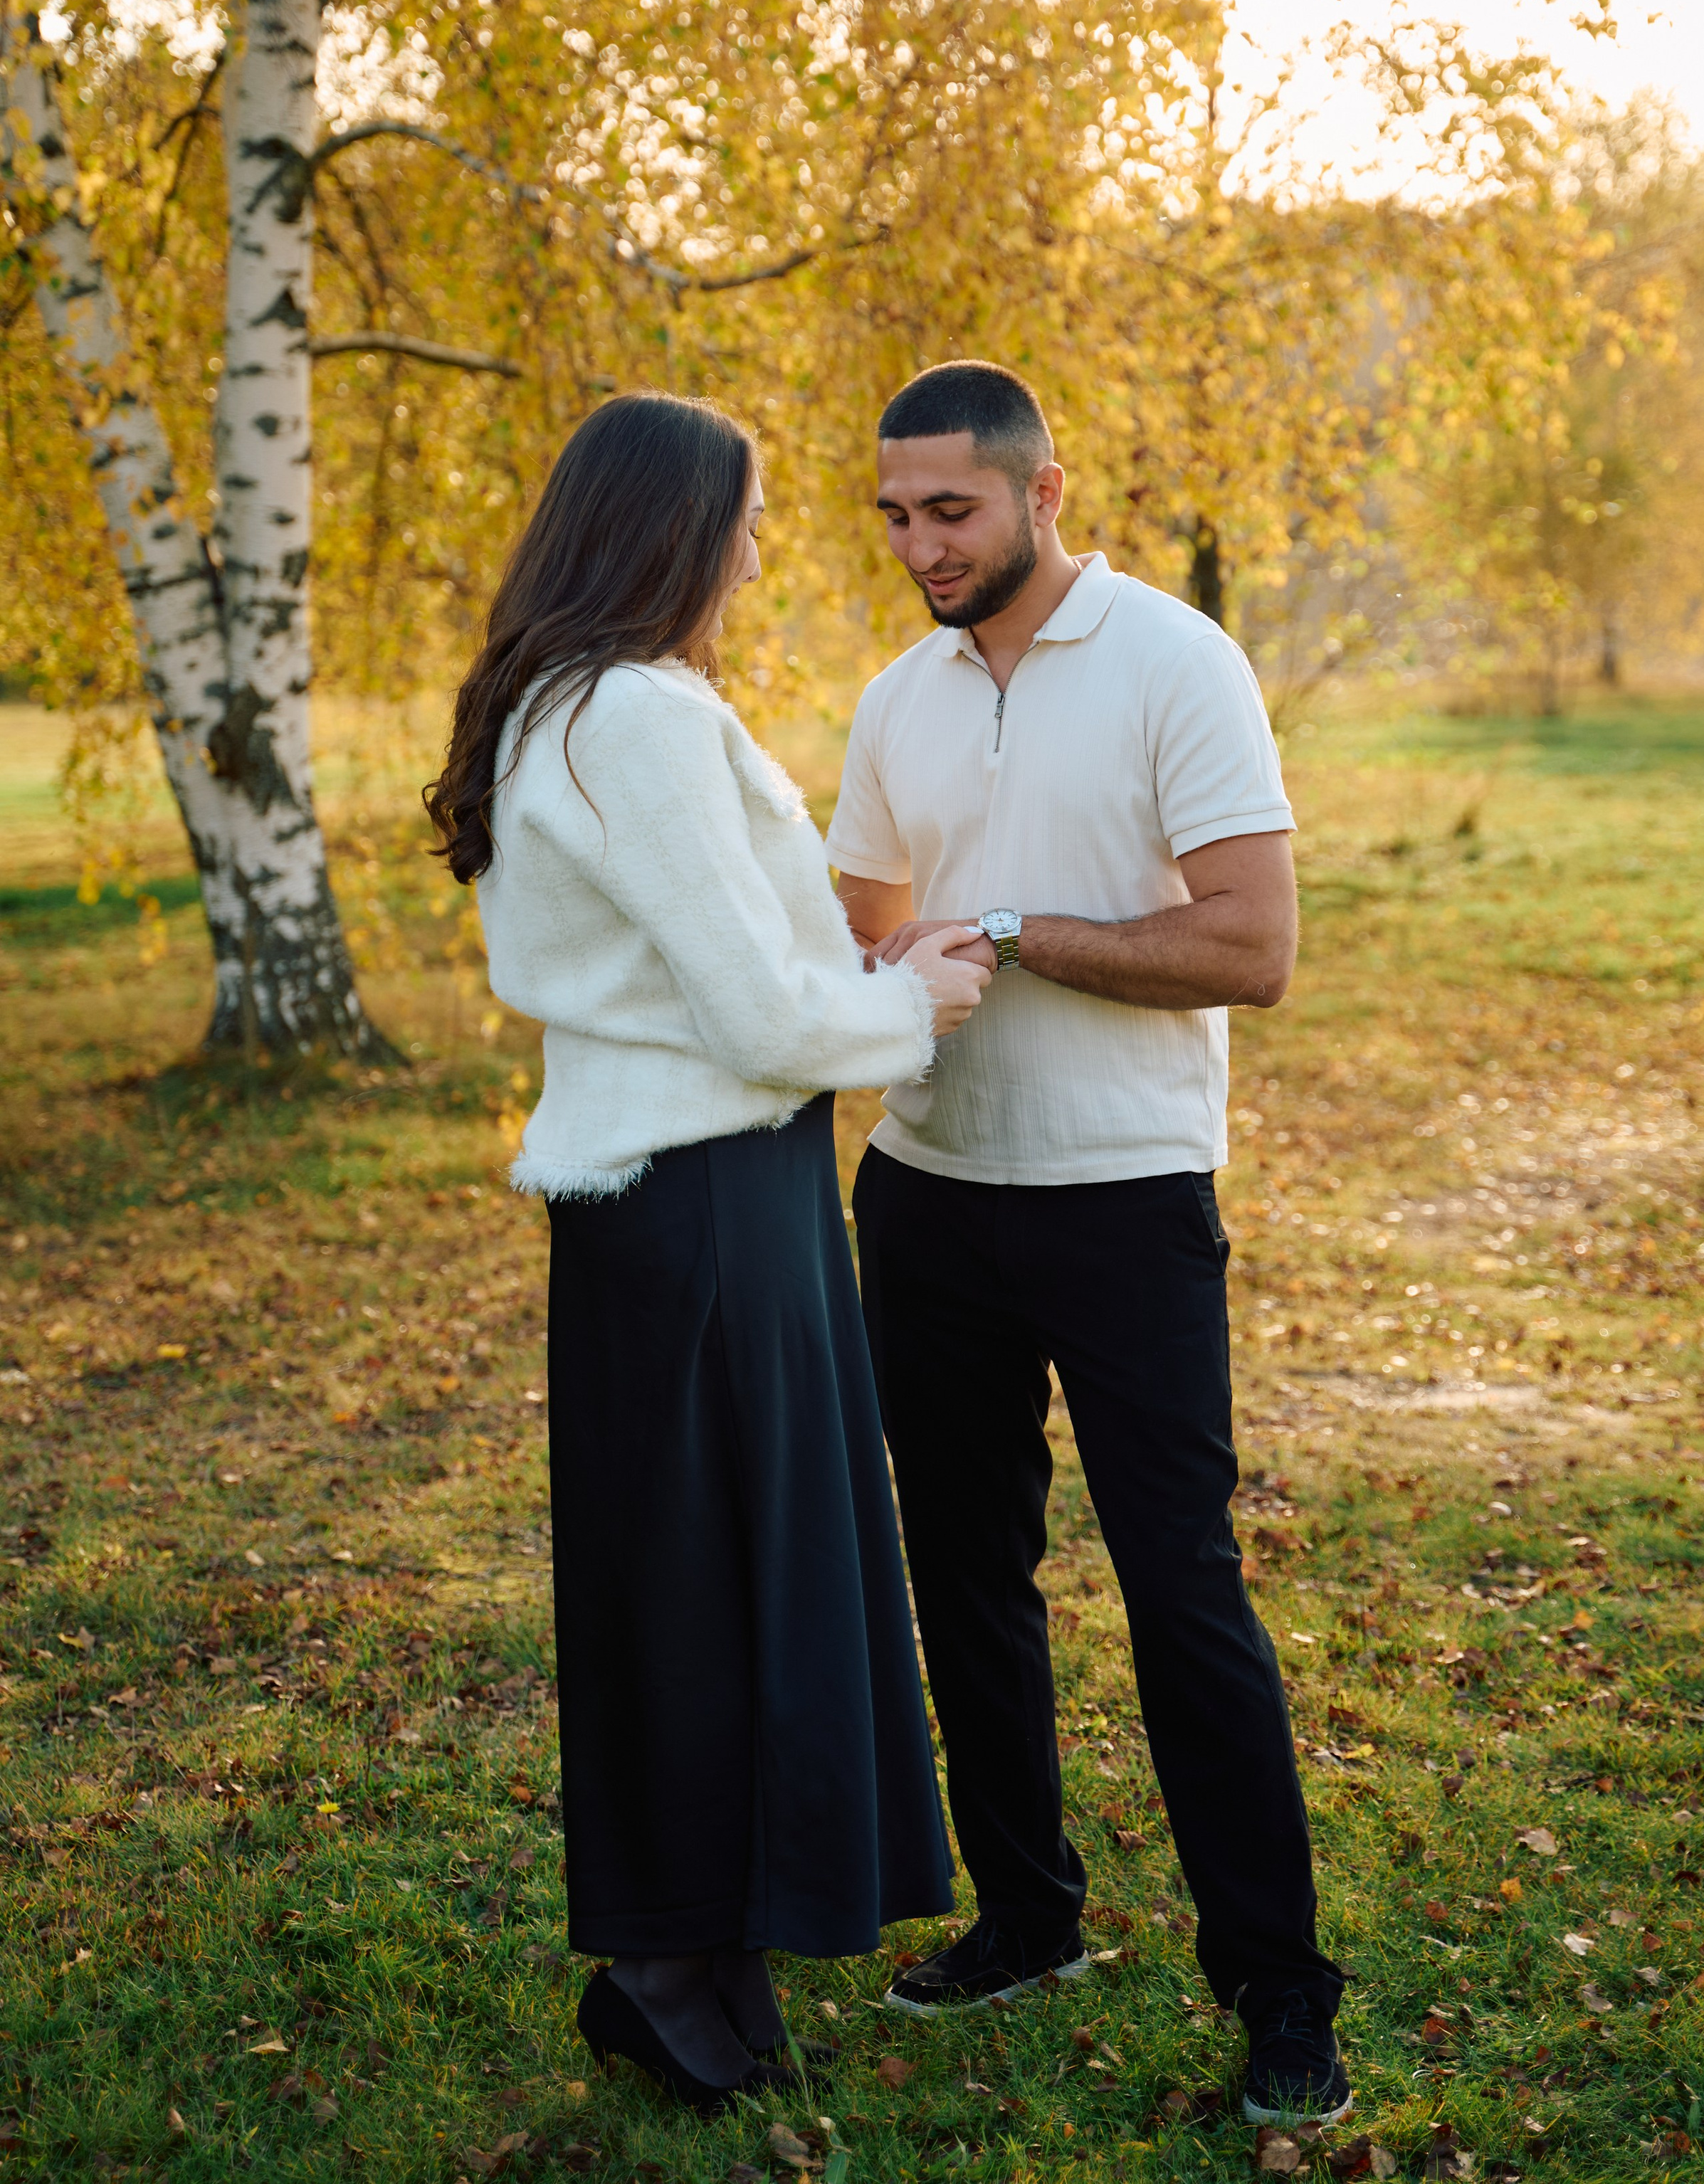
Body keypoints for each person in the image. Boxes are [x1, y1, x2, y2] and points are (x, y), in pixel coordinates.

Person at [425, 391, 989, 2116]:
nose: (758, 549)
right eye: (743, 518)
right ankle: (671, 1964)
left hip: (666, 1204)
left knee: (692, 1576)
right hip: (706, 1199)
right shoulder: (639, 718)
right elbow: (754, 1015)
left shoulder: (559, 704)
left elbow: (717, 970)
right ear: (671, 526)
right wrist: (912, 1000)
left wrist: (851, 982)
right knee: (716, 1581)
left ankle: (700, 1956)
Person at [827, 361, 1351, 2130]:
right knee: (962, 1581)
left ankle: (1279, 1991)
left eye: (948, 511)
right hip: (922, 1196)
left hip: (1121, 1200)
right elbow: (859, 945)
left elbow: (1248, 947)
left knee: (1177, 1591)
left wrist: (1015, 933)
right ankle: (1026, 1915)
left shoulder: (1175, 662)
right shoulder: (894, 696)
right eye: (893, 514)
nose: (918, 544)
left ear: (1042, 491)